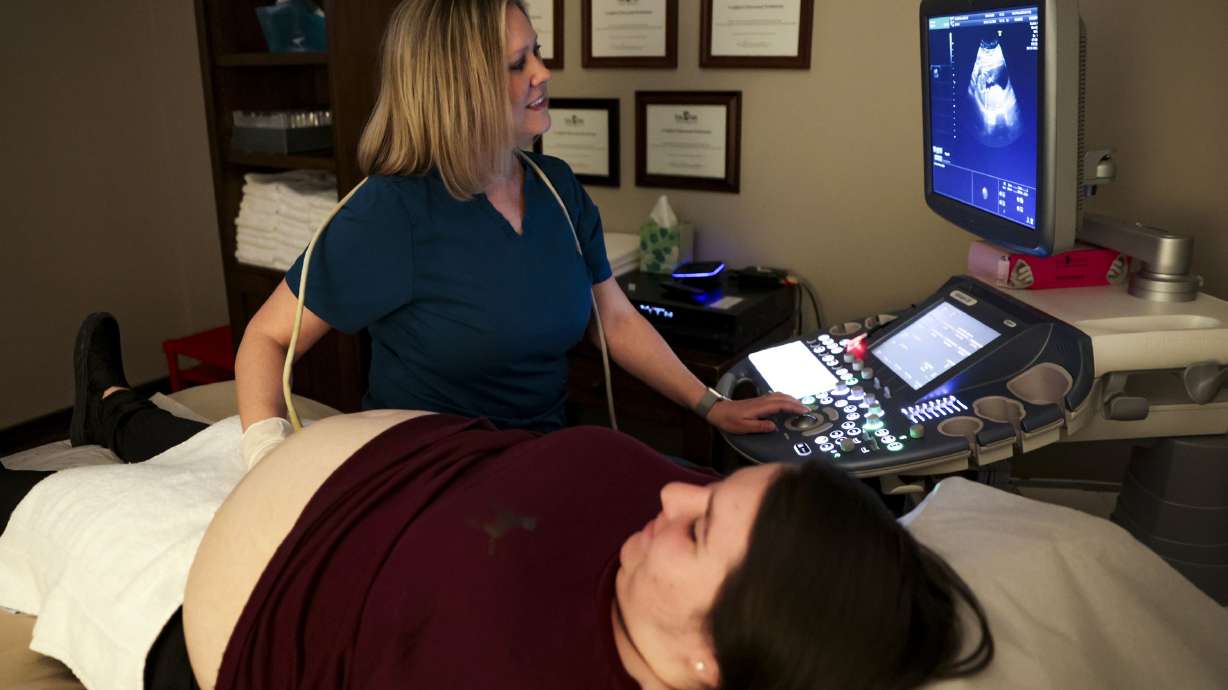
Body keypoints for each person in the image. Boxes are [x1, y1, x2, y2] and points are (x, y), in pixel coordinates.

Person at [68, 0, 806, 469]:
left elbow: (613, 319)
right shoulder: (390, 214)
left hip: (537, 457)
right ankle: (114, 407)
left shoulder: (555, 188)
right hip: (424, 469)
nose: (545, 72)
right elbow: (264, 341)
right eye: (518, 63)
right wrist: (268, 463)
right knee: (200, 472)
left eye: (537, 50)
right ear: (457, 86)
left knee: (689, 489)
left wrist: (712, 403)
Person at [2, 408, 994, 690]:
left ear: (708, 659)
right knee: (203, 436)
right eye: (707, 485)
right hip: (373, 468)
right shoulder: (703, 590)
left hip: (228, 593)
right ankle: (121, 412)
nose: (669, 489)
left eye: (696, 525)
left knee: (60, 500)